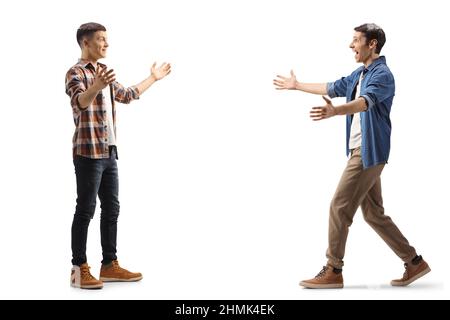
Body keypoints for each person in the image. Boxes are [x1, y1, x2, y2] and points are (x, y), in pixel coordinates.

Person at [273, 23, 430, 289]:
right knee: (373, 214)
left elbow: (364, 103)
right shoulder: (360, 74)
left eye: (356, 40)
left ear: (372, 44)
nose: (350, 45)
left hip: (368, 153)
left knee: (339, 206)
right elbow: (332, 86)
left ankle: (334, 269)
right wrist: (297, 85)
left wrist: (337, 111)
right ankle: (414, 262)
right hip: (363, 152)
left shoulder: (383, 75)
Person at [65, 22, 171, 289]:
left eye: (106, 39)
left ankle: (109, 265)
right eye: (101, 39)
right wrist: (97, 86)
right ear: (85, 42)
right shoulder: (75, 72)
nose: (106, 44)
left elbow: (128, 94)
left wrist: (153, 78)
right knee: (85, 210)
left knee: (112, 209)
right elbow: (80, 102)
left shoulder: (103, 72)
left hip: (109, 152)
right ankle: (79, 270)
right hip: (88, 153)